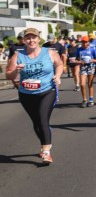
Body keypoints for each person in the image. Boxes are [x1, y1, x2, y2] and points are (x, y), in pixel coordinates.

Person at [4, 28, 64, 164]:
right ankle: (44, 145)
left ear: (39, 39)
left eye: (34, 37)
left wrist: (58, 75)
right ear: (24, 40)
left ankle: (46, 152)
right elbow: (8, 74)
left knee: (43, 119)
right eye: (28, 38)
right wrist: (16, 72)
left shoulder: (49, 52)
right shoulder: (18, 56)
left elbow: (59, 64)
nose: (31, 40)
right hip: (26, 94)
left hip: (47, 91)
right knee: (36, 123)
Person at [77, 36, 96, 107]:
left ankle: (91, 100)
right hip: (83, 67)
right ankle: (84, 100)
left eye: (86, 42)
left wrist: (93, 60)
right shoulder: (79, 50)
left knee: (90, 84)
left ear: (88, 43)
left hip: (91, 67)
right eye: (83, 42)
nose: (84, 44)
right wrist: (80, 61)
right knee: (82, 84)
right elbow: (75, 59)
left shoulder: (92, 49)